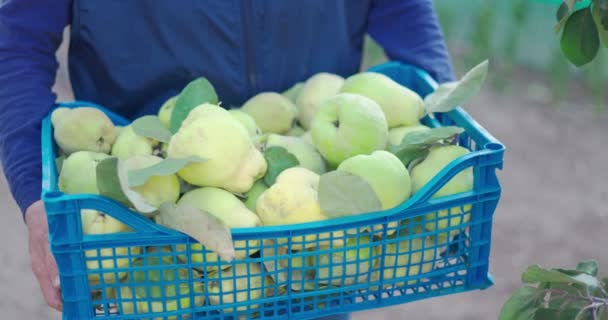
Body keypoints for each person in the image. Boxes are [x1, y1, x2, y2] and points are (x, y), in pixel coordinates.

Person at [0, 1, 454, 319]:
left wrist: (437, 111)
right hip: (140, 227)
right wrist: (31, 184)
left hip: (314, 212)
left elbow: (403, 7)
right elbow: (17, 41)